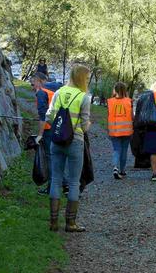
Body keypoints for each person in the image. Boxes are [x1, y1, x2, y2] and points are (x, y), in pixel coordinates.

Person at [45, 64, 91, 232]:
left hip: (56, 141)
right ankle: (70, 223)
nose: (87, 81)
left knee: (56, 179)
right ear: (81, 78)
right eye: (86, 78)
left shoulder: (58, 92)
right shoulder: (83, 97)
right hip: (75, 142)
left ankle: (53, 222)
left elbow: (49, 117)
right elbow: (84, 126)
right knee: (73, 182)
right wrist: (85, 125)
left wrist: (60, 128)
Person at [32, 72, 54, 195]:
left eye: (33, 82)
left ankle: (51, 187)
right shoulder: (50, 92)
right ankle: (64, 183)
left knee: (50, 157)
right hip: (56, 127)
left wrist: (39, 135)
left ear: (39, 81)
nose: (32, 85)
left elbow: (43, 116)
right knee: (57, 156)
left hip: (48, 129)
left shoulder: (41, 93)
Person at [107, 82, 133, 179]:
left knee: (116, 150)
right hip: (127, 131)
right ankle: (122, 171)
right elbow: (132, 116)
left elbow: (108, 116)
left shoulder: (109, 101)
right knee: (124, 150)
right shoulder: (129, 101)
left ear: (115, 90)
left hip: (114, 130)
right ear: (125, 90)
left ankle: (115, 167)